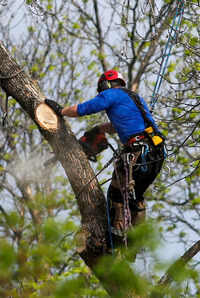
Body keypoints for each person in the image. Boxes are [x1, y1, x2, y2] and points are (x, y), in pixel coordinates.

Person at [46, 70, 166, 249]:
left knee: (116, 196)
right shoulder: (133, 97)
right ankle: (133, 246)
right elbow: (118, 125)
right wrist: (98, 130)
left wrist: (60, 111)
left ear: (106, 84)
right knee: (135, 197)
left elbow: (84, 109)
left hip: (138, 151)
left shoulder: (112, 94)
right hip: (155, 152)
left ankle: (115, 245)